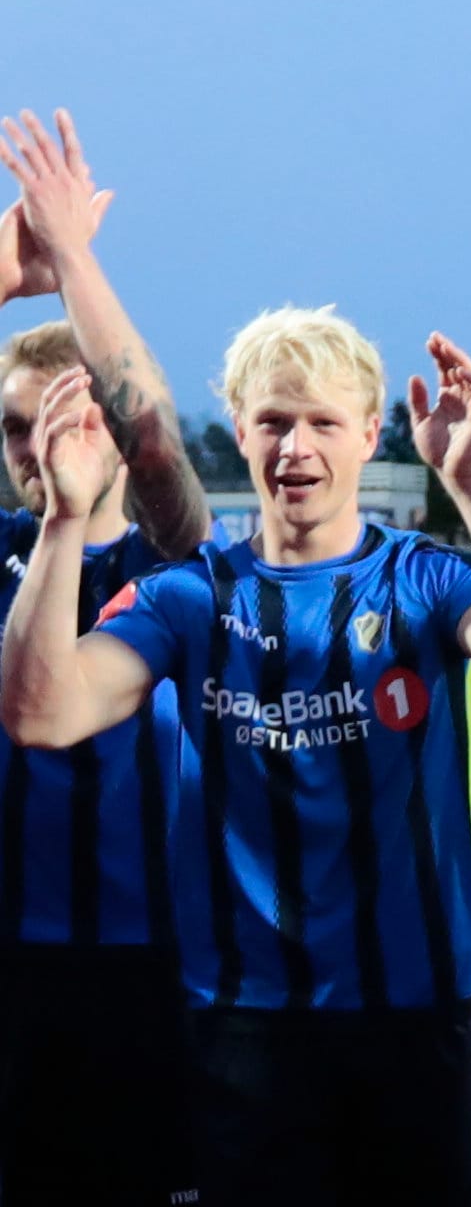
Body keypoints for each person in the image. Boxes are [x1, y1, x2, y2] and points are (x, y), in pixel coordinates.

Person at [0, 307, 471, 1207]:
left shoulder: (425, 580)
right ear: (240, 433)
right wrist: (62, 519)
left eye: (323, 421)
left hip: (414, 1026)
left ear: (370, 434)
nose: (296, 446)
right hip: (246, 1038)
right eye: (274, 421)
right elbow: (40, 713)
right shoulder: (187, 599)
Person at [0, 111, 211, 1207]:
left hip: (158, 970)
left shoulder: (176, 564)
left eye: (65, 423)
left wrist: (75, 263)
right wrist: (5, 275)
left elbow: (162, 442)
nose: (37, 449)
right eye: (13, 429)